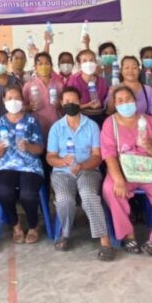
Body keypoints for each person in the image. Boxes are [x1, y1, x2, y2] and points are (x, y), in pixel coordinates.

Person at [101, 85, 152, 255]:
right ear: (115, 104)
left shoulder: (149, 121)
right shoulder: (110, 123)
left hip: (150, 168)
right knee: (110, 189)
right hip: (123, 170)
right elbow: (109, 155)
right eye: (120, 101)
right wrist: (119, 180)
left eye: (128, 99)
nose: (124, 103)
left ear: (135, 101)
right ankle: (129, 235)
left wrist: (149, 145)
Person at [46, 87, 113, 260]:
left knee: (89, 195)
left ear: (80, 102)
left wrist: (82, 166)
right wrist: (62, 162)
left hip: (88, 170)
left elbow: (97, 156)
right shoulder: (56, 128)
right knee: (64, 199)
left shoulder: (91, 126)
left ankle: (104, 240)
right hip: (62, 173)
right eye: (66, 101)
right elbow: (50, 157)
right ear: (61, 103)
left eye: (74, 101)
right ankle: (65, 233)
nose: (70, 104)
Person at [0, 87, 46, 244]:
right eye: (10, 98)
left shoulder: (31, 121)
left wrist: (28, 146)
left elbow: (39, 149)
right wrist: (1, 148)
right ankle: (15, 224)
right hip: (7, 165)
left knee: (27, 195)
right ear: (4, 100)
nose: (13, 101)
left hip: (30, 166)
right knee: (3, 192)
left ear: (22, 101)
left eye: (17, 98)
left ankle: (33, 225)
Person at [23, 51, 65, 146]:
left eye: (47, 63)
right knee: (39, 148)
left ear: (51, 66)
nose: (43, 66)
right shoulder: (29, 84)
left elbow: (65, 105)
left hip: (55, 123)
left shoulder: (59, 84)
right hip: (36, 124)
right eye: (40, 64)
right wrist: (29, 107)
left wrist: (60, 105)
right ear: (35, 67)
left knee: (54, 147)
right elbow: (22, 107)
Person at [105, 56, 152, 121]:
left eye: (134, 68)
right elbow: (109, 112)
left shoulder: (148, 90)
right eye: (127, 68)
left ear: (139, 70)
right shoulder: (114, 88)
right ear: (121, 70)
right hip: (120, 125)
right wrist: (113, 95)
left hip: (143, 125)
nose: (130, 71)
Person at [64, 48, 107, 126]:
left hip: (100, 118)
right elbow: (69, 105)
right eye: (84, 61)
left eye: (91, 60)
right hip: (79, 119)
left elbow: (106, 103)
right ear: (80, 64)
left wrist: (101, 104)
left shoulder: (102, 82)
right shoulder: (73, 81)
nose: (88, 63)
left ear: (95, 62)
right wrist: (87, 105)